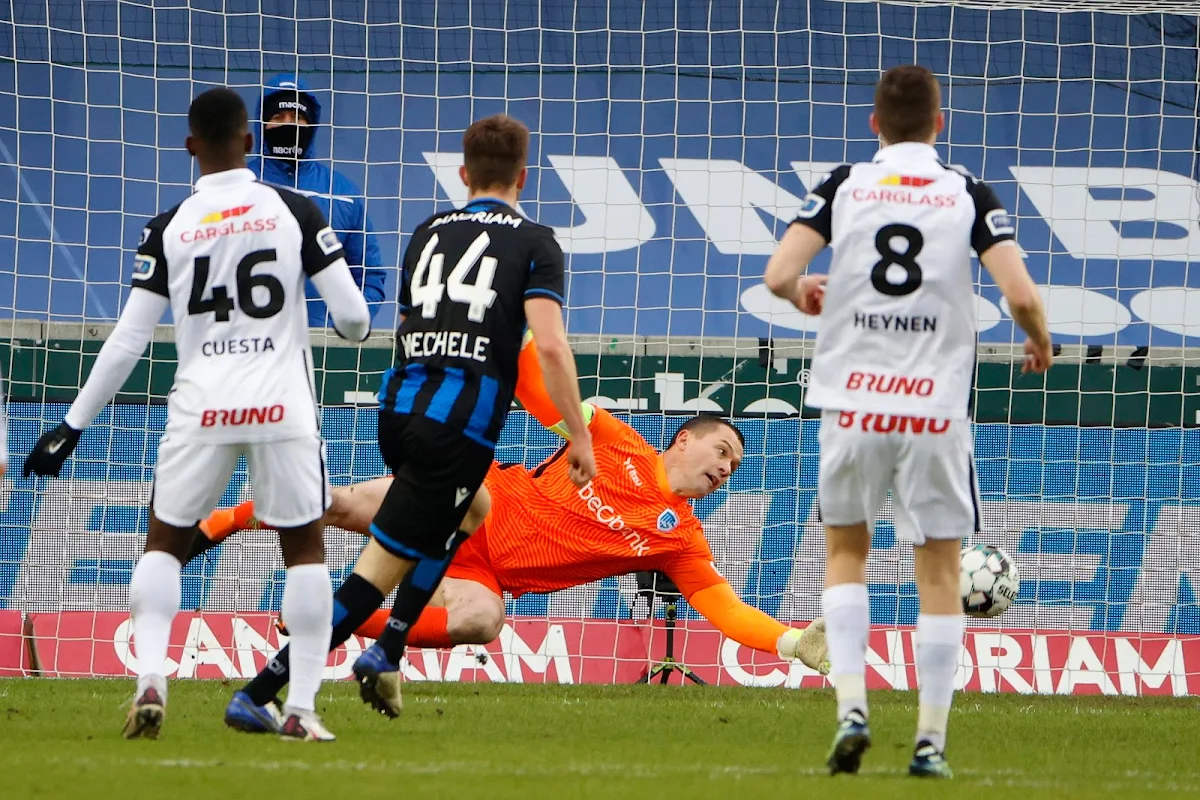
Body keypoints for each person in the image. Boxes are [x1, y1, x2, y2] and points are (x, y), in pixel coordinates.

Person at [191, 336, 830, 714]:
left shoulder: (682, 538)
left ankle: (330, 621)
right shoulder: (613, 439)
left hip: (486, 573)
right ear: (683, 440)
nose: (728, 468)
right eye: (722, 452)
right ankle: (221, 520)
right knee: (343, 506)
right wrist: (514, 334)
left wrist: (792, 643)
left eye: (736, 466)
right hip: (473, 499)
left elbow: (727, 611)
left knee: (483, 623)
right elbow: (539, 394)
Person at [219, 113, 595, 732]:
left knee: (473, 510)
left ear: (463, 173)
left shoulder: (425, 232)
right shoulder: (535, 242)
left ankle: (388, 648)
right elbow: (550, 347)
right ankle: (262, 692)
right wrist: (579, 438)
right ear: (523, 177)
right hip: (459, 427)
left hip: (398, 410)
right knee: (376, 574)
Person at [22, 87, 372, 742]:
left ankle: (151, 676)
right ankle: (298, 709)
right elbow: (353, 318)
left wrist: (71, 426)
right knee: (303, 550)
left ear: (190, 147)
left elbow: (128, 338)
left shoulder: (168, 226)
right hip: (281, 403)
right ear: (249, 141)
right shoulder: (296, 209)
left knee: (165, 544)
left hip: (201, 404)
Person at [762, 64, 1052, 778]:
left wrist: (803, 291)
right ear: (939, 122)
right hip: (933, 409)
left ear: (874, 125)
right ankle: (929, 742)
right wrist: (1039, 337)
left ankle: (852, 709)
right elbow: (1018, 292)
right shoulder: (967, 192)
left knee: (846, 556)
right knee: (940, 573)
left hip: (854, 400)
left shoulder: (842, 185)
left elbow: (777, 275)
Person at [252, 74, 386, 327]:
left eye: (297, 118)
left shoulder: (343, 194)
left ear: (311, 125)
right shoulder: (239, 186)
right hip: (249, 349)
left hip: (322, 354)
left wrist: (338, 332)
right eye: (278, 118)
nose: (288, 125)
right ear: (261, 124)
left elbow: (370, 277)